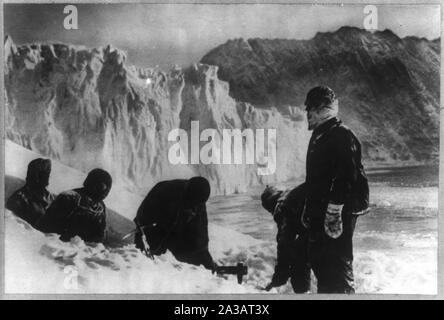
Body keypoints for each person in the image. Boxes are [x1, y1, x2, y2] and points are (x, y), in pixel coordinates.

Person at [304, 86, 369, 294]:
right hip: (323, 211)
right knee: (323, 265)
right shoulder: (321, 135)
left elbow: (346, 176)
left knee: (338, 267)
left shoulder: (341, 135)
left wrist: (334, 211)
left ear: (325, 109)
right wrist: (310, 207)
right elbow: (315, 179)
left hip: (339, 212)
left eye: (311, 109)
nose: (307, 114)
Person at [134, 176, 216, 270]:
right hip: (155, 226)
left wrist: (205, 259)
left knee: (198, 259)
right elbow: (143, 220)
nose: (193, 208)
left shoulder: (198, 198)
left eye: (196, 205)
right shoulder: (165, 192)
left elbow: (201, 235)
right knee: (148, 259)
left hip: (176, 228)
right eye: (191, 203)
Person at [37, 168, 112, 243]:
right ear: (92, 184)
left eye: (108, 189)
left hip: (82, 248)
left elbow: (99, 236)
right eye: (103, 187)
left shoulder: (101, 207)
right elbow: (47, 227)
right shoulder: (69, 197)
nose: (106, 192)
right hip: (56, 243)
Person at [261, 183, 311, 293]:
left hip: (316, 229)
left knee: (299, 261)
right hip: (333, 220)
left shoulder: (282, 205)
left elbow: (284, 243)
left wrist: (278, 279)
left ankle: (303, 295)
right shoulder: (292, 194)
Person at [6, 158, 56, 228]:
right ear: (37, 176)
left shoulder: (51, 197)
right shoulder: (18, 199)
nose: (49, 177)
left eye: (48, 173)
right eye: (46, 174)